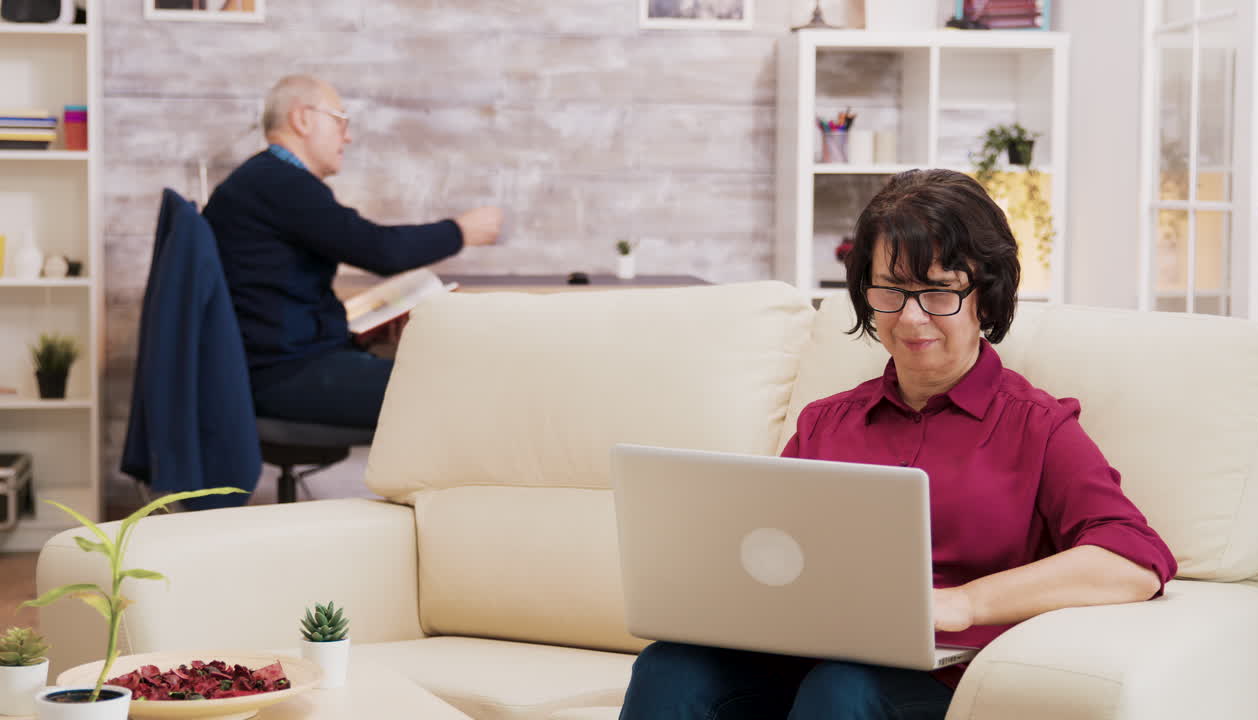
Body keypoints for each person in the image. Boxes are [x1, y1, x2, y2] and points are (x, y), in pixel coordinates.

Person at [618, 169, 1178, 719]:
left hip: (936, 677)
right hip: (811, 656)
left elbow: (1134, 560)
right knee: (669, 667)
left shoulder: (1036, 426)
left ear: (987, 292)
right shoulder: (825, 423)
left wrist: (966, 601)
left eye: (938, 291)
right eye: (891, 290)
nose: (911, 319)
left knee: (840, 688)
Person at [203, 74, 502, 429]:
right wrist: (462, 231)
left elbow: (282, 295)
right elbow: (381, 251)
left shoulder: (264, 181)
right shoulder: (280, 183)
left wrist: (363, 330)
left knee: (449, 380)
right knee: (467, 388)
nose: (348, 136)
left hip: (278, 366)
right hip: (285, 375)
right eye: (340, 120)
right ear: (302, 119)